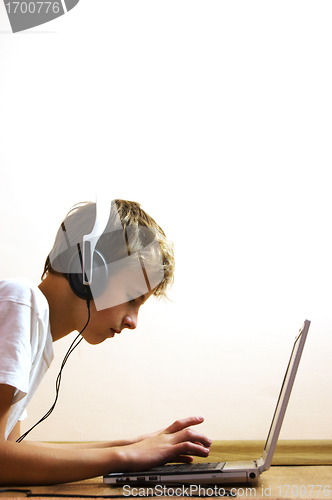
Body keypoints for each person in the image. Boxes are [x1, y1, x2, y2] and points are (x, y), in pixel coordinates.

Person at [0, 199, 211, 486]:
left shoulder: (34, 331)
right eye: (132, 298)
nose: (133, 321)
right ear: (89, 272)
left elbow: (15, 454)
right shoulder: (19, 301)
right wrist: (128, 456)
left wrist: (131, 446)